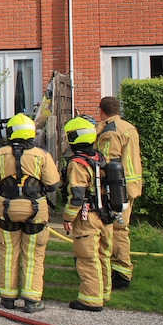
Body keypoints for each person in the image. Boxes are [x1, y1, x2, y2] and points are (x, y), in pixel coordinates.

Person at [0, 113, 60, 313]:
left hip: (7, 209)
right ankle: (32, 300)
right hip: (35, 210)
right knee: (33, 254)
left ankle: (8, 297)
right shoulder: (42, 156)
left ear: (11, 132)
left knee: (8, 252)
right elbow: (53, 185)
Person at [62, 116, 115, 311]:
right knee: (103, 255)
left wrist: (68, 218)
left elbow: (77, 196)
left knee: (87, 257)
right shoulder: (100, 158)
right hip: (105, 216)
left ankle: (90, 299)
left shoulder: (78, 163)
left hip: (88, 218)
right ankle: (104, 292)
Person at [96, 96, 142, 290]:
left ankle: (120, 274)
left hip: (117, 189)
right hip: (130, 185)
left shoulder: (111, 131)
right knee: (121, 228)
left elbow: (106, 161)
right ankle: (119, 270)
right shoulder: (129, 127)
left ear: (101, 111)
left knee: (116, 230)